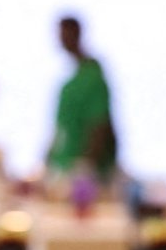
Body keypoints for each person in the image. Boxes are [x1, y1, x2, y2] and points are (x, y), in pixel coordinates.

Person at [46, 16, 117, 182]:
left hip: (83, 175)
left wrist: (85, 167)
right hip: (62, 169)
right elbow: (62, 128)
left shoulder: (92, 77)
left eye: (65, 33)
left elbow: (99, 125)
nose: (62, 38)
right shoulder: (71, 82)